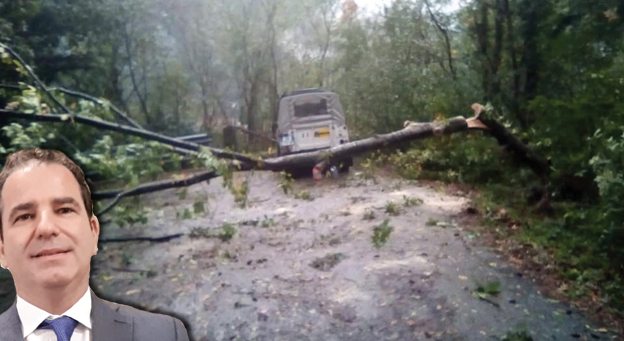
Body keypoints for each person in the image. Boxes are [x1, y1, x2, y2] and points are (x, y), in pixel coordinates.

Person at [0, 148, 190, 341]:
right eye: (24, 216)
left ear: (93, 233)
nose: (46, 228)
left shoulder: (164, 334)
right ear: (2, 249)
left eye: (64, 210)